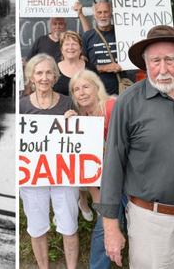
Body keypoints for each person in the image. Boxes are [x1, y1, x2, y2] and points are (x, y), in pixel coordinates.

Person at [98, 25, 174, 268]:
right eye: (155, 61)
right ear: (145, 63)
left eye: (170, 60)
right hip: (151, 221)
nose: (162, 69)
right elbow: (113, 162)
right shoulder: (128, 103)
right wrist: (110, 226)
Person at [19, 53, 79, 269]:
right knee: (36, 227)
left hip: (63, 175)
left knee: (69, 226)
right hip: (33, 177)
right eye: (39, 73)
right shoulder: (22, 106)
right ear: (31, 77)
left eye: (48, 73)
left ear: (55, 77)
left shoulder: (68, 103)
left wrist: (76, 121)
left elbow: (81, 141)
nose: (44, 77)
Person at [64, 70, 118, 269]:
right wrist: (70, 126)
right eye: (76, 89)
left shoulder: (112, 107)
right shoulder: (81, 117)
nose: (81, 92)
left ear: (97, 87)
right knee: (105, 223)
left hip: (127, 178)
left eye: (86, 86)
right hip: (106, 183)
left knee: (110, 223)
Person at [77, 0, 127, 95]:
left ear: (111, 12)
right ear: (94, 15)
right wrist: (103, 68)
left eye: (106, 12)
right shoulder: (87, 36)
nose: (103, 16)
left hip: (123, 89)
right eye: (99, 12)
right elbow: (82, 64)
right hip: (97, 92)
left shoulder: (122, 32)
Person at [53, 31, 92, 96]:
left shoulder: (90, 68)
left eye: (74, 44)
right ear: (61, 49)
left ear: (80, 49)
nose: (70, 47)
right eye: (67, 44)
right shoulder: (53, 70)